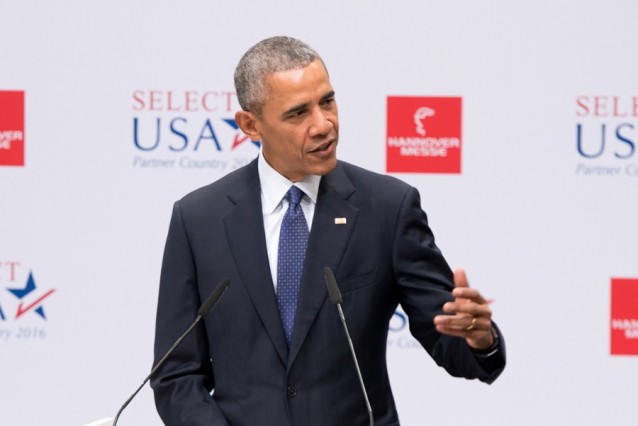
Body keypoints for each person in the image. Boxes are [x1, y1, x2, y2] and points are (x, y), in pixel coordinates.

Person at [151, 36, 505, 426]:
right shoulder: (198, 219)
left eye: (328, 101)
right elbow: (175, 375)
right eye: (298, 113)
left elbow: (449, 338)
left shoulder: (387, 208)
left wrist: (479, 339)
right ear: (250, 125)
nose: (323, 125)